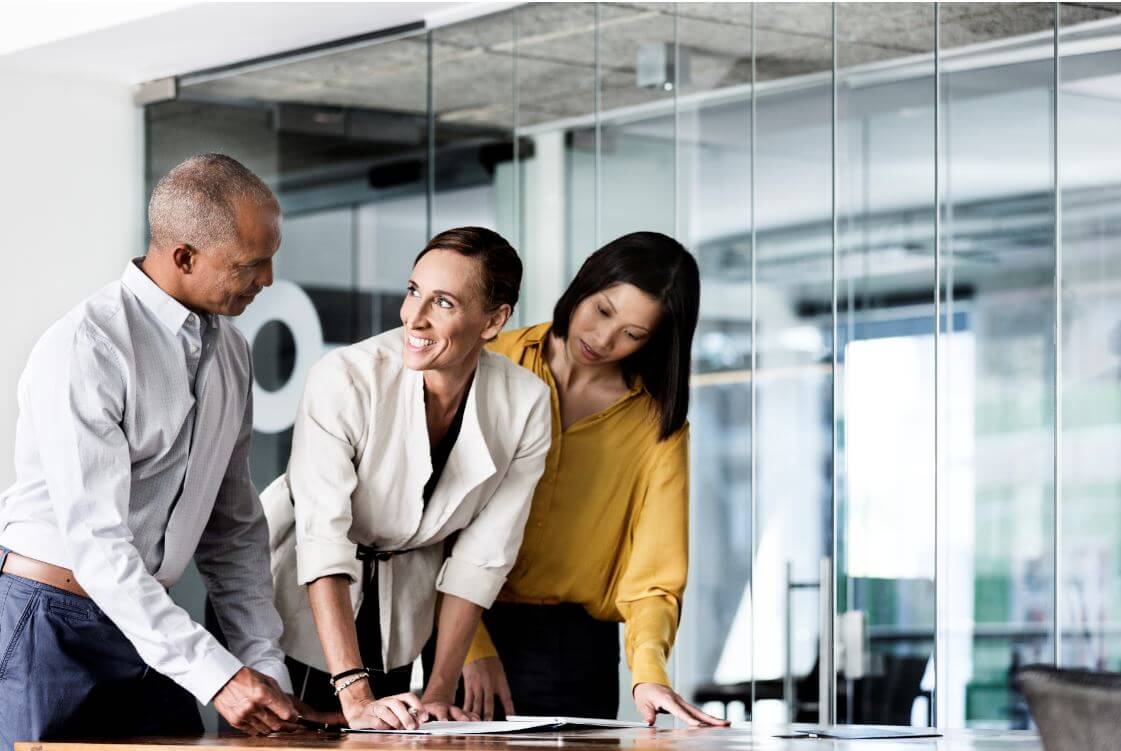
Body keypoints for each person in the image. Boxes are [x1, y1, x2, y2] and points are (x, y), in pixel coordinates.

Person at [0, 154, 309, 747]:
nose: (267, 279)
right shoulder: (87, 347)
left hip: (150, 623)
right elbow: (96, 544)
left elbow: (234, 529)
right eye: (251, 263)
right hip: (52, 624)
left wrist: (262, 670)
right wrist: (220, 679)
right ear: (184, 257)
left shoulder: (233, 354)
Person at [264, 227, 551, 730]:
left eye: (442, 302)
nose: (413, 318)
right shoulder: (346, 377)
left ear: (494, 321)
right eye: (413, 291)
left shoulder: (525, 404)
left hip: (399, 609)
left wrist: (440, 690)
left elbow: (482, 559)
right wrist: (354, 694)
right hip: (292, 593)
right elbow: (322, 538)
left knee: (391, 735)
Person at [460, 232, 729, 728]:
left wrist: (649, 672)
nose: (604, 340)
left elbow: (653, 578)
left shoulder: (657, 426)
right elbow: (433, 521)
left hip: (575, 653)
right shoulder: (489, 362)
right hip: (465, 625)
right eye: (603, 311)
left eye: (633, 333)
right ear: (586, 278)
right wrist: (467, 645)